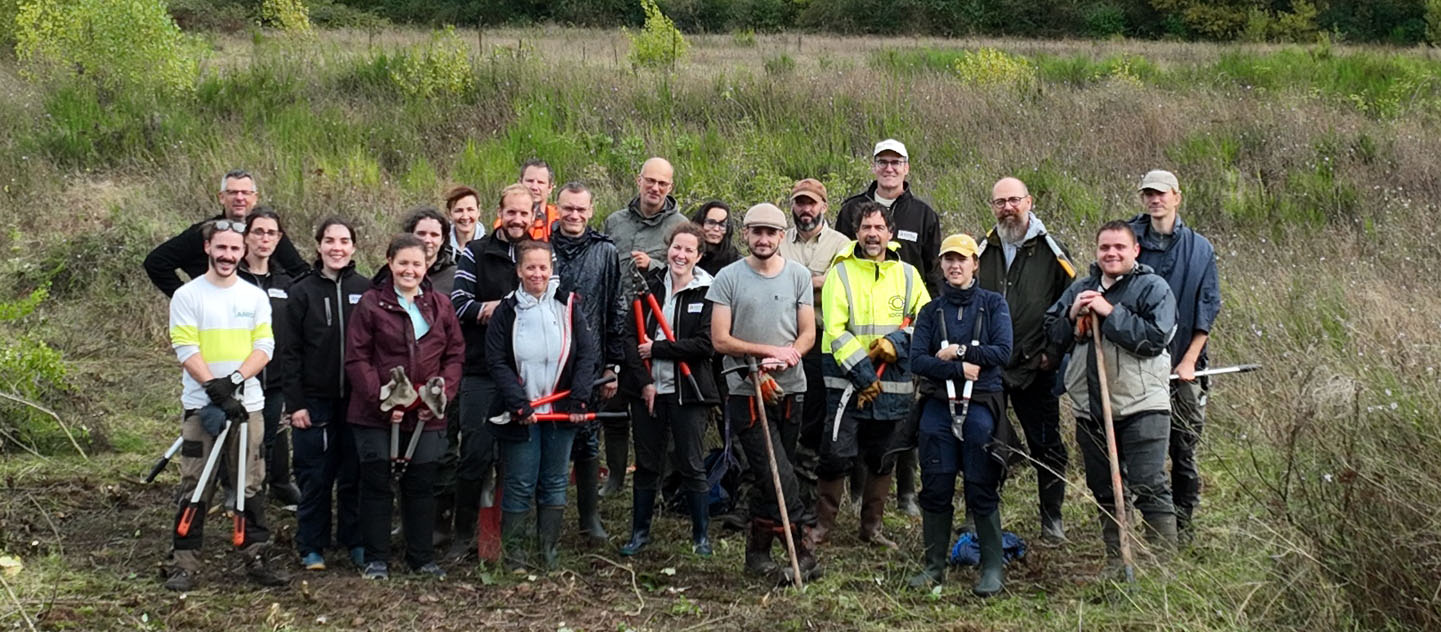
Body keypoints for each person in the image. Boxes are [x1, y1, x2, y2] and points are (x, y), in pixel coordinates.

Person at [1046, 220, 1179, 566]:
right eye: (1105, 247)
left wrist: (1110, 313)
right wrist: (1072, 314)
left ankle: (1164, 568)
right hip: (1090, 407)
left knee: (1149, 484)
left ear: (1135, 250)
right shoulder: (1081, 288)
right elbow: (1052, 338)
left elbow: (1155, 338)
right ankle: (1119, 562)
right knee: (1104, 488)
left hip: (1142, 404)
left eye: (1120, 247)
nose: (1111, 253)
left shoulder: (1153, 288)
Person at [163, 219, 287, 591]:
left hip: (248, 407)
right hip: (201, 409)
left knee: (250, 483)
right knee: (194, 483)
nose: (227, 255)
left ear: (243, 251)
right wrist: (214, 391)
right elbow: (186, 347)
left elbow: (264, 347)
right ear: (208, 248)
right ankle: (183, 564)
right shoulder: (187, 296)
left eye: (234, 249)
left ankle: (256, 557)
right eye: (221, 248)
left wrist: (233, 382)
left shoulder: (254, 297)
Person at [708, 203, 818, 583]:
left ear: (782, 236)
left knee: (770, 470)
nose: (764, 239)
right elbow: (720, 339)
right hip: (746, 387)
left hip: (791, 387)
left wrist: (791, 354)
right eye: (757, 231)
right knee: (775, 472)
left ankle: (757, 553)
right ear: (746, 234)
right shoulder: (728, 278)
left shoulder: (799, 275)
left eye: (771, 233)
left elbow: (807, 333)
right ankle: (804, 553)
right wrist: (767, 352)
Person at [345, 234, 464, 580]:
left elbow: (455, 355)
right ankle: (376, 558)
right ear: (390, 262)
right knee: (377, 484)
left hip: (426, 415)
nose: (409, 270)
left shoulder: (440, 305)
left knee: (421, 485)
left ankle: (421, 558)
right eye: (403, 263)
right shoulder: (370, 304)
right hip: (376, 414)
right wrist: (383, 399)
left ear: (427, 265)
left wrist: (439, 396)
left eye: (416, 263)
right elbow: (357, 358)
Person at [812, 202, 928, 552]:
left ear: (890, 233)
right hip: (848, 385)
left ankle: (872, 529)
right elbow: (834, 330)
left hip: (893, 384)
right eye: (866, 228)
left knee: (883, 456)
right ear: (856, 232)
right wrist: (863, 375)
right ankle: (822, 527)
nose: (872, 234)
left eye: (879, 228)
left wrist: (896, 343)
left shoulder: (908, 275)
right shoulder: (841, 273)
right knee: (836, 454)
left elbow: (925, 322)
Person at [837, 139, 943, 516]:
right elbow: (840, 261)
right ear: (873, 166)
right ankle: (857, 492)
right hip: (858, 332)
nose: (889, 168)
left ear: (906, 168)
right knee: (859, 413)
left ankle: (906, 493)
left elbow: (934, 274)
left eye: (896, 162)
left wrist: (927, 328)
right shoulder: (851, 209)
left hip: (905, 334)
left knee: (902, 414)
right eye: (883, 161)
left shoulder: (923, 214)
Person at [906, 234, 1013, 597]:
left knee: (981, 483)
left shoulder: (994, 304)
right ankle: (933, 566)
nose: (955, 265)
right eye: (948, 259)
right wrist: (957, 369)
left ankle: (992, 567)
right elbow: (917, 360)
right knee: (936, 483)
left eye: (961, 259)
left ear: (974, 264)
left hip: (982, 404)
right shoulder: (930, 310)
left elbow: (1002, 352)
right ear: (941, 264)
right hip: (938, 403)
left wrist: (960, 351)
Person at [486, 240, 600, 570]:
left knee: (555, 481)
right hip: (523, 414)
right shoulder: (506, 311)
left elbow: (586, 354)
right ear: (519, 270)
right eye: (530, 267)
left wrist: (579, 398)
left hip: (561, 412)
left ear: (552, 269)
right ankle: (515, 555)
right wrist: (518, 402)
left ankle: (547, 552)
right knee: (520, 482)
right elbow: (496, 361)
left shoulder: (569, 305)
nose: (537, 273)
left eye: (543, 267)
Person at [976, 177, 1075, 544]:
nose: (1008, 208)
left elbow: (1068, 305)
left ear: (1029, 202)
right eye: (1000, 202)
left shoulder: (1052, 251)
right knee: (984, 441)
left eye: (1014, 200)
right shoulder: (981, 249)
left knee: (1046, 444)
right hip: (989, 367)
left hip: (1035, 366)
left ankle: (1052, 519)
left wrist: (1053, 353)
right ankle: (981, 518)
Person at [1127, 170, 1221, 543]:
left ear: (1176, 197)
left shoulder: (1200, 249)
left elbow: (1207, 309)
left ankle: (1184, 526)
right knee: (1136, 452)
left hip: (1184, 365)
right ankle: (1142, 528)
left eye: (1161, 194)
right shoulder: (1127, 241)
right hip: (1134, 369)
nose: (1155, 200)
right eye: (1148, 194)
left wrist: (1188, 362)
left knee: (1183, 450)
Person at [617, 223, 720, 558]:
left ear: (699, 256)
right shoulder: (649, 286)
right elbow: (630, 339)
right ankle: (639, 533)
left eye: (689, 250)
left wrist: (658, 349)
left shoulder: (709, 291)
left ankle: (701, 537)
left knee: (691, 463)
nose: (681, 255)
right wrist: (644, 382)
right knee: (647, 463)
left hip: (689, 391)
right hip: (648, 390)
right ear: (668, 249)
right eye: (677, 247)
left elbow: (705, 344)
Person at [446, 184, 534, 559]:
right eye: (511, 212)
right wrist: (499, 308)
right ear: (500, 212)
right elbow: (459, 304)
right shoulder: (476, 252)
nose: (517, 219)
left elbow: (552, 307)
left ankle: (511, 541)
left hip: (525, 374)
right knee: (475, 455)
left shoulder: (540, 254)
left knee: (517, 461)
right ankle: (463, 535)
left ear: (534, 216)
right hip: (480, 370)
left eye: (524, 213)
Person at [281, 217, 369, 571]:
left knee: (354, 473)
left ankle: (355, 541)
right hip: (313, 401)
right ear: (318, 246)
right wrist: (296, 404)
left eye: (344, 241)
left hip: (357, 401)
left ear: (353, 247)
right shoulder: (301, 291)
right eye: (330, 240)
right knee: (314, 475)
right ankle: (311, 545)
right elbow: (289, 352)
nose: (337, 247)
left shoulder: (366, 289)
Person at [548, 182, 627, 542]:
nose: (574, 215)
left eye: (581, 209)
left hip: (590, 360)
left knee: (587, 439)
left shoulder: (605, 251)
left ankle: (589, 517)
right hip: (547, 357)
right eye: (568, 208)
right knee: (544, 435)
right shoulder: (541, 247)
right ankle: (544, 516)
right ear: (557, 207)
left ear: (591, 211)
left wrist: (613, 364)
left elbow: (616, 307)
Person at [777, 178, 853, 518]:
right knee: (785, 414)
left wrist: (793, 280)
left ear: (824, 206)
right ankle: (781, 493)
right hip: (783, 338)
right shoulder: (779, 239)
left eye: (811, 203)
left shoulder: (841, 243)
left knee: (816, 418)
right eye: (799, 202)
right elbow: (770, 277)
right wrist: (816, 282)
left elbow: (839, 285)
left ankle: (808, 497)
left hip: (824, 340)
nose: (805, 209)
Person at [145, 170, 308, 297]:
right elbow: (156, 262)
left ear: (255, 198)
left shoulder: (267, 232)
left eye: (245, 193)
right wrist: (186, 298)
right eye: (232, 192)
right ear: (222, 197)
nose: (239, 198)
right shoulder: (204, 232)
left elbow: (299, 271)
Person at [236, 207, 301, 507]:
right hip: (237, 376)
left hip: (275, 380)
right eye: (258, 232)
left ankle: (267, 489)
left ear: (278, 238)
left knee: (270, 437)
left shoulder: (286, 283)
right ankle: (237, 490)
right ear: (246, 236)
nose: (264, 239)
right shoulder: (233, 279)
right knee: (239, 438)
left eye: (271, 233)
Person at [605, 157, 689, 272]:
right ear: (639, 180)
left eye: (662, 184)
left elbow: (686, 271)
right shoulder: (614, 221)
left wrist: (651, 265)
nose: (655, 188)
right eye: (650, 181)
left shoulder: (681, 226)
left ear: (670, 188)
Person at [494, 159, 560, 242]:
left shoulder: (559, 219)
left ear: (550, 187)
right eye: (530, 181)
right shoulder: (505, 221)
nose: (534, 187)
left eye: (540, 182)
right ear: (520, 182)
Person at [402, 207, 457, 296]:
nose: (427, 240)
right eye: (421, 233)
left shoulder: (456, 278)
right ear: (410, 235)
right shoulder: (395, 272)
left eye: (434, 235)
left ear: (442, 240)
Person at [692, 201, 741, 277]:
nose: (716, 229)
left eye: (722, 225)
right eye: (711, 222)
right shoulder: (686, 253)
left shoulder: (735, 262)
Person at [445, 185, 482, 263]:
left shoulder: (490, 248)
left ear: (478, 211)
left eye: (470, 209)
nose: (465, 217)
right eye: (459, 210)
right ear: (449, 214)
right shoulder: (440, 248)